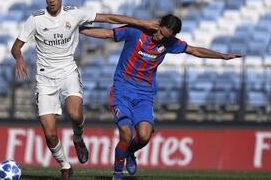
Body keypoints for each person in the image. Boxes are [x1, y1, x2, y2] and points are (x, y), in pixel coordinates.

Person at [10, 0, 158, 179]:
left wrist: (141, 23)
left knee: (76, 115)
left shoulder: (74, 13)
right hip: (44, 79)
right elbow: (16, 46)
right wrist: (19, 58)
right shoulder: (35, 19)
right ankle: (65, 165)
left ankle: (78, 138)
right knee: (50, 133)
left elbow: (108, 18)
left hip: (68, 72)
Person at [80, 14, 244, 180]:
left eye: (165, 36)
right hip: (122, 90)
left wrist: (222, 56)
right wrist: (79, 29)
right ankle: (117, 174)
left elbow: (194, 50)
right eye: (160, 32)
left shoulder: (170, 44)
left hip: (145, 95)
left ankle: (130, 152)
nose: (159, 37)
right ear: (157, 25)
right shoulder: (136, 32)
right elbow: (107, 33)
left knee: (144, 136)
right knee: (126, 134)